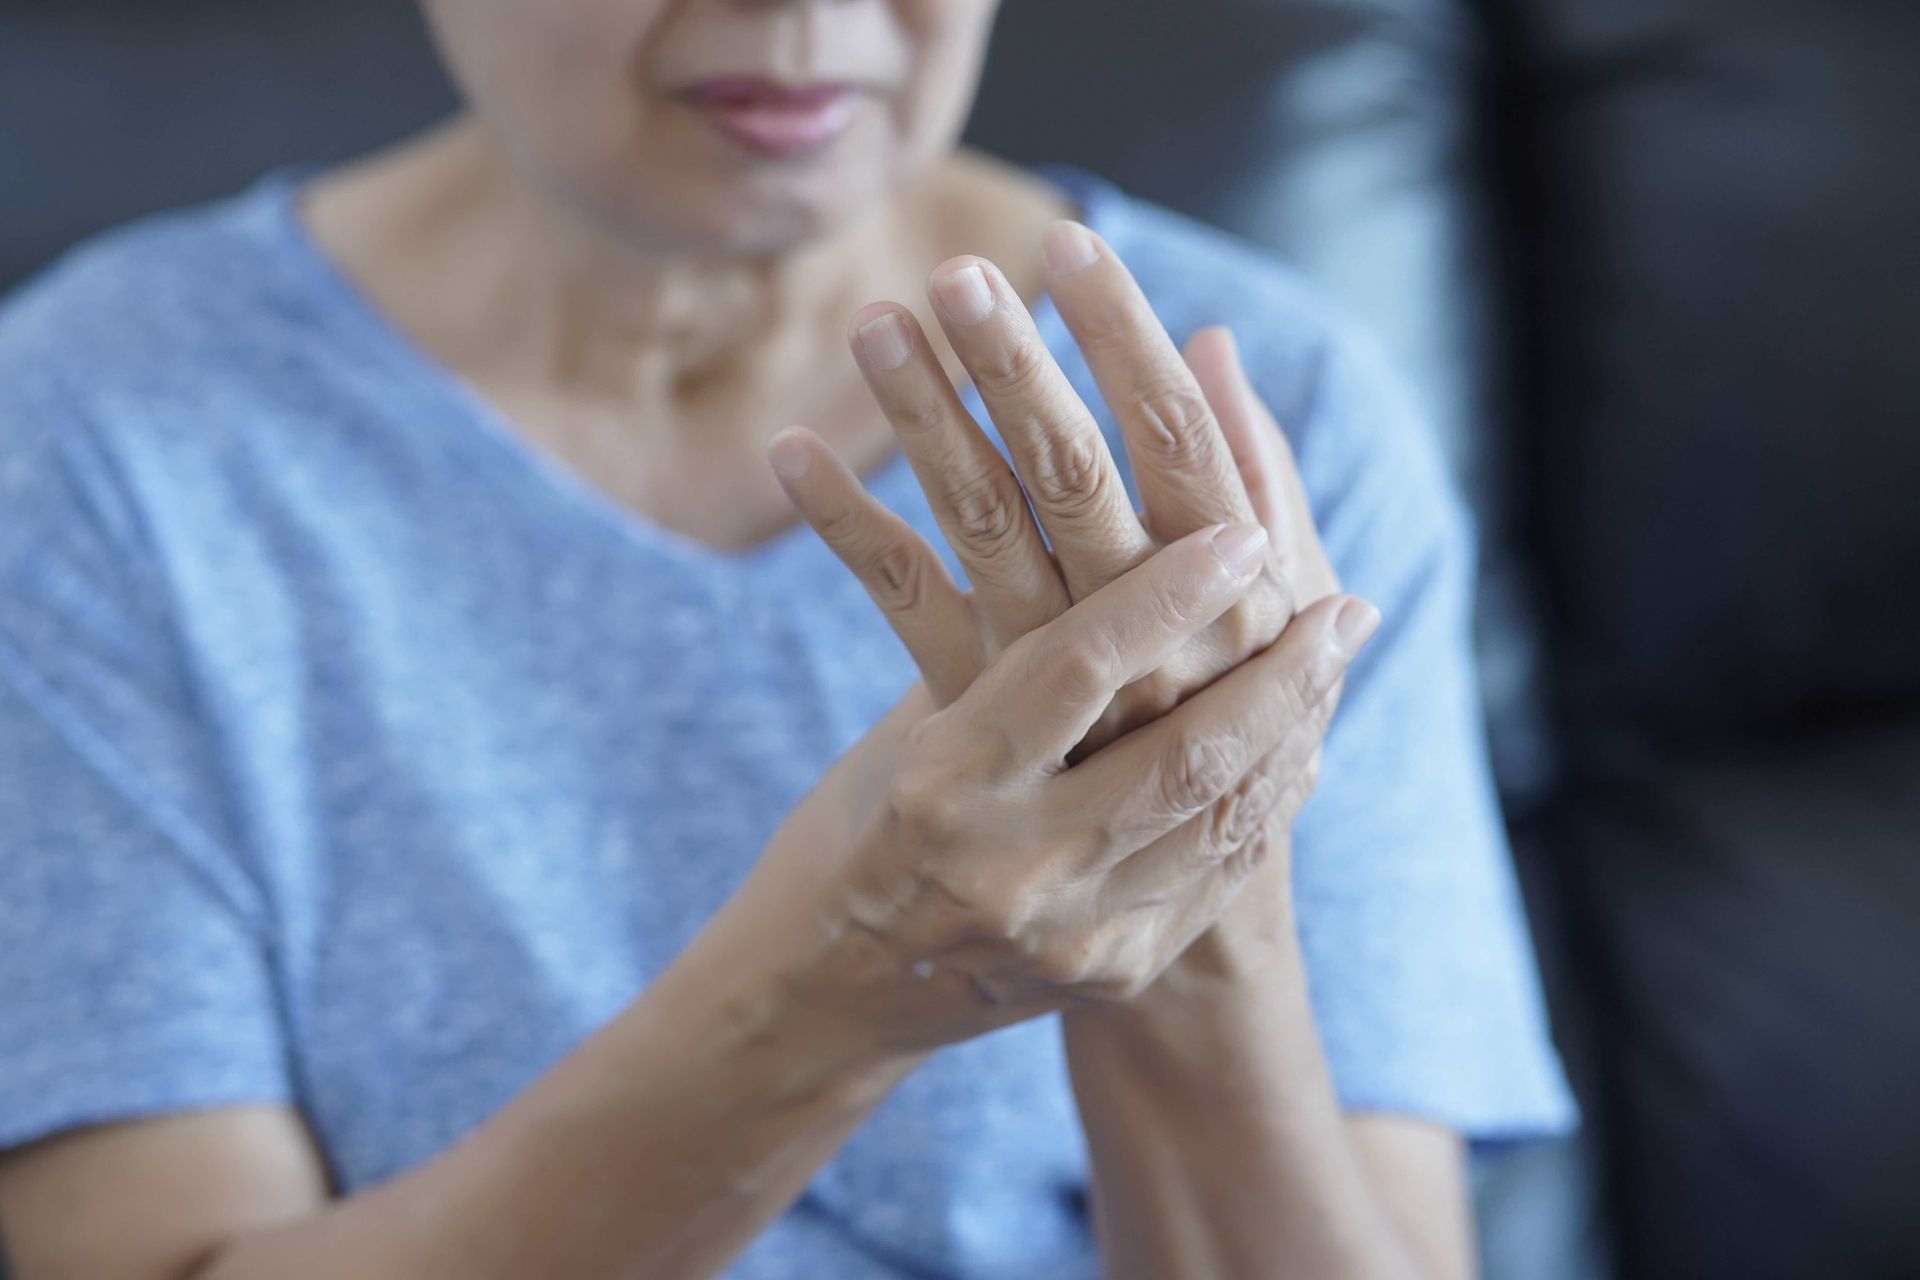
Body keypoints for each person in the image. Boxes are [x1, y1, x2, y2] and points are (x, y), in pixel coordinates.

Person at [0, 2, 1572, 1276]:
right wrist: (841, 976)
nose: (808, 19)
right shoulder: (95, 432)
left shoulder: (1267, 414)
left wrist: (1184, 880)